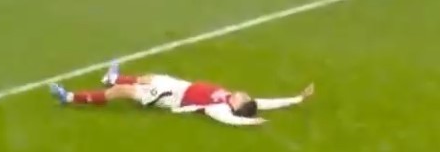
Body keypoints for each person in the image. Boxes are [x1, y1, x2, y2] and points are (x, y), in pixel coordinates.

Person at [50, 61, 314, 127]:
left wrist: (253, 121)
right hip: (179, 86)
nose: (245, 94)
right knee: (148, 77)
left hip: (171, 97)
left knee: (124, 92)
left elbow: (231, 120)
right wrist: (297, 99)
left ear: (237, 105)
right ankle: (112, 77)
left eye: (245, 98)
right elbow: (266, 102)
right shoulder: (227, 98)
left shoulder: (219, 109)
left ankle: (70, 97)